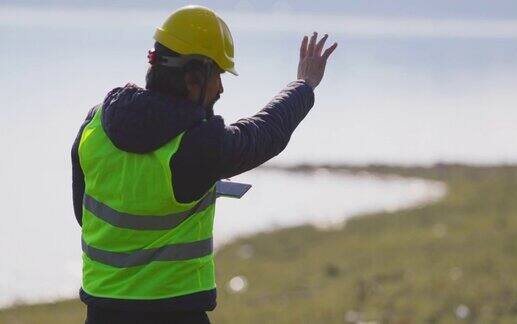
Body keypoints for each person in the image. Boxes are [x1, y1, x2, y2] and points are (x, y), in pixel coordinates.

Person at [71, 5, 337, 324]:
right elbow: (263, 134)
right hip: (176, 311)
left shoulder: (95, 124)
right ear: (194, 78)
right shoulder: (196, 146)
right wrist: (304, 84)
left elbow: (83, 213)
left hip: (101, 311)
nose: (221, 89)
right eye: (219, 76)